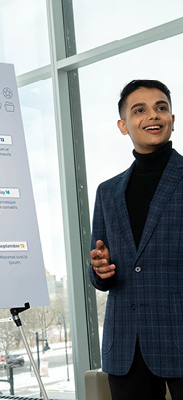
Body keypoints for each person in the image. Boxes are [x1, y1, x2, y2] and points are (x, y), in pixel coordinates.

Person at [89, 79, 183, 399]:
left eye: (161, 108)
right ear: (123, 125)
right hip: (126, 347)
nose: (152, 116)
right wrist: (99, 270)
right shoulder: (107, 192)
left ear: (172, 119)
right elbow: (99, 273)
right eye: (139, 110)